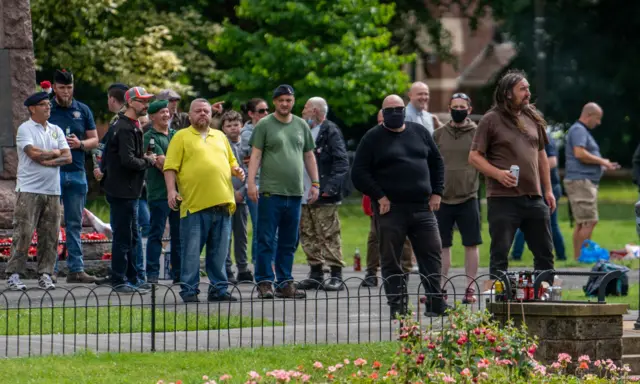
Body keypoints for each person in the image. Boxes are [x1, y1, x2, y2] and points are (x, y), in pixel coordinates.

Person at [351, 94, 447, 318]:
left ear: (405, 110)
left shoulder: (420, 132)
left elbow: (437, 162)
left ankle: (435, 302)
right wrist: (380, 196)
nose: (395, 113)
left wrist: (437, 192)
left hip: (422, 207)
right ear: (383, 114)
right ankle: (398, 306)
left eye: (399, 108)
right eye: (390, 109)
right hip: (390, 209)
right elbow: (359, 173)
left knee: (432, 254)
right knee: (391, 259)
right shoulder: (372, 138)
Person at [468, 69, 555, 280]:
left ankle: (543, 296)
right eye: (522, 89)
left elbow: (542, 155)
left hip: (533, 197)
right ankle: (501, 302)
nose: (527, 93)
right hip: (503, 199)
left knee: (544, 252)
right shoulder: (491, 119)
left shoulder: (532, 117)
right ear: (508, 93)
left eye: (528, 88)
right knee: (500, 253)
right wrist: (498, 174)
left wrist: (549, 190)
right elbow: (474, 157)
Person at [164, 99, 245, 303]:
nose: (203, 114)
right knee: (191, 252)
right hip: (195, 205)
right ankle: (189, 291)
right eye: (198, 111)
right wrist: (171, 191)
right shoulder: (181, 136)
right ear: (189, 115)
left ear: (211, 115)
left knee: (219, 253)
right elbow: (170, 167)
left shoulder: (220, 136)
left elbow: (232, 162)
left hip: (223, 203)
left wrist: (237, 171)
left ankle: (218, 290)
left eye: (206, 111)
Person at [247, 84, 319, 299]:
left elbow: (309, 156)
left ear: (293, 101)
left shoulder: (301, 125)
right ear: (274, 102)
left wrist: (315, 183)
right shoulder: (265, 125)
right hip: (270, 192)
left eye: (289, 100)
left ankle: (285, 282)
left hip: (295, 193)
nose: (285, 104)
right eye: (281, 100)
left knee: (289, 241)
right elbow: (256, 155)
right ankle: (264, 282)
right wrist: (251, 183)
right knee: (266, 239)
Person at [5, 92, 72, 290]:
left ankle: (45, 274)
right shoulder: (25, 129)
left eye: (48, 105)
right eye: (43, 105)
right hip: (29, 189)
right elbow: (33, 154)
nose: (48, 108)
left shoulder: (56, 130)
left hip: (52, 190)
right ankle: (14, 274)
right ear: (32, 108)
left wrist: (49, 158)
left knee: (50, 235)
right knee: (23, 232)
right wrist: (55, 153)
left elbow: (68, 157)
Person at [102, 87, 156, 292]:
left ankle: (132, 278)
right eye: (142, 101)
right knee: (123, 238)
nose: (146, 105)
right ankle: (119, 280)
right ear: (131, 102)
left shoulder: (125, 123)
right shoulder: (124, 127)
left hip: (127, 190)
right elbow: (128, 160)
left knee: (132, 236)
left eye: (147, 101)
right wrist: (148, 161)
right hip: (123, 191)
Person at [48, 69, 99, 284]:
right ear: (54, 87)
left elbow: (95, 140)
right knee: (49, 223)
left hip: (77, 171)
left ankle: (76, 269)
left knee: (74, 223)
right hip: (52, 172)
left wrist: (80, 144)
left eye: (69, 88)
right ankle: (48, 270)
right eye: (62, 88)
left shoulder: (83, 109)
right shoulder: (46, 108)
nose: (66, 92)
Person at [432, 93, 481, 303]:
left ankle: (470, 288)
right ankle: (440, 288)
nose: (458, 109)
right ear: (449, 108)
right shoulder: (439, 134)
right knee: (442, 245)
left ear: (469, 109)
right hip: (442, 198)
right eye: (455, 106)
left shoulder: (478, 133)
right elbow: (431, 164)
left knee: (471, 244)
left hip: (468, 196)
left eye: (462, 106)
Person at [297, 97, 349, 291]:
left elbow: (341, 162)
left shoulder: (330, 131)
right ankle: (316, 272)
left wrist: (329, 189)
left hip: (325, 194)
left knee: (328, 234)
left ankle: (336, 274)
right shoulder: (303, 130)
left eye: (305, 108)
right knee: (308, 233)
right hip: (303, 192)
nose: (302, 112)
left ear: (316, 111)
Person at [564, 102, 619, 260]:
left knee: (582, 222)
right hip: (581, 182)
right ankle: (583, 257)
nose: (599, 122)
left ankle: (578, 258)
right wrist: (602, 162)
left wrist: (603, 165)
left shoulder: (580, 131)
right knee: (590, 220)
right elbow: (580, 153)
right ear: (589, 115)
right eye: (598, 118)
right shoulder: (578, 130)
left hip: (581, 180)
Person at [143, 100, 182, 284]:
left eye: (167, 111)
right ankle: (152, 274)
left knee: (179, 234)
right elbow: (161, 163)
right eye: (161, 112)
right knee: (156, 233)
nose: (166, 115)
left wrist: (170, 160)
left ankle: (179, 274)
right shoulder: (149, 137)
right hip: (158, 192)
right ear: (152, 116)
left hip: (180, 192)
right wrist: (174, 162)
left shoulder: (177, 135)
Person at [511, 132, 566, 261]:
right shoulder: (528, 138)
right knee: (532, 222)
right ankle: (560, 255)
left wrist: (531, 166)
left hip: (548, 188)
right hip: (538, 187)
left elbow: (552, 161)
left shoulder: (546, 139)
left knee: (547, 223)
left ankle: (560, 255)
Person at [220, 110, 254, 284]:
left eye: (236, 125)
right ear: (223, 128)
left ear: (241, 126)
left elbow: (252, 168)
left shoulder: (247, 144)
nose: (233, 128)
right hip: (226, 194)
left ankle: (243, 267)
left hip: (243, 194)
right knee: (225, 234)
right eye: (229, 126)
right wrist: (231, 192)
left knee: (241, 234)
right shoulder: (221, 145)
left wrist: (244, 190)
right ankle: (226, 268)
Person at [239, 98, 270, 263]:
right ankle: (260, 266)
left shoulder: (269, 129)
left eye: (267, 110)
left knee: (269, 229)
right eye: (261, 111)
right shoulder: (247, 134)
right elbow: (254, 159)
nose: (266, 114)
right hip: (255, 184)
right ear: (251, 114)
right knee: (261, 228)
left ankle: (266, 263)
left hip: (271, 183)